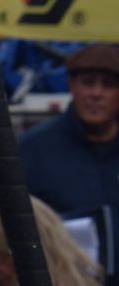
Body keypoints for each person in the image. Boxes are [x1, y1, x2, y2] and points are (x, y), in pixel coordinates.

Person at [18, 43, 119, 219]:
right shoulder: (32, 149)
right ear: (71, 85)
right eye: (87, 83)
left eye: (108, 85)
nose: (96, 93)